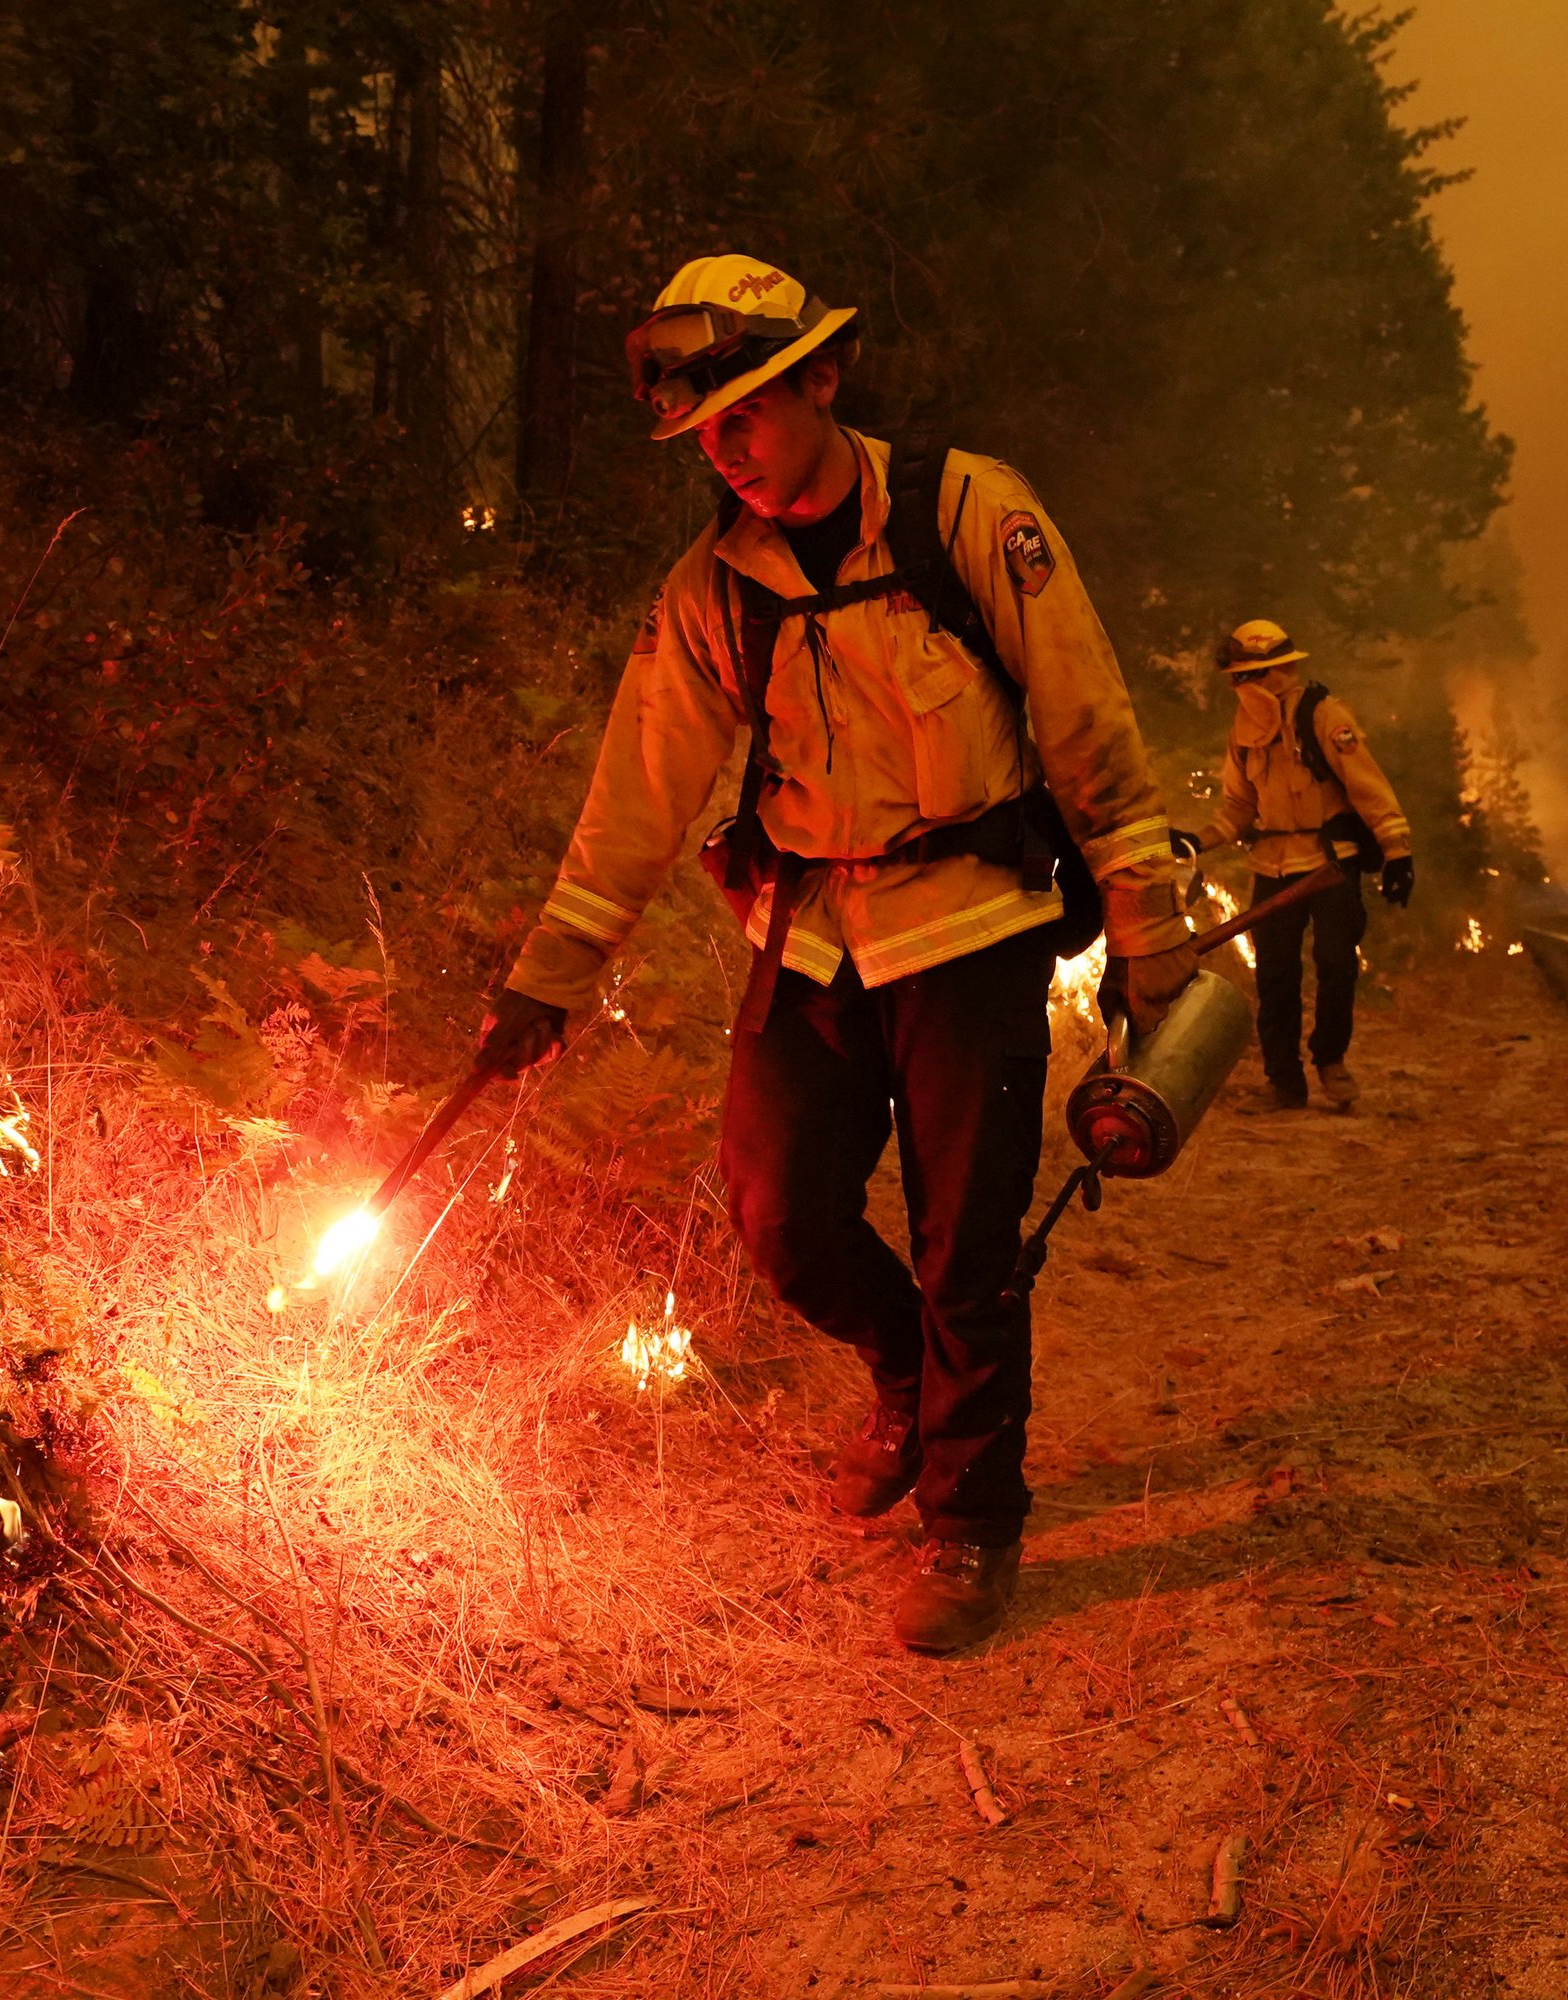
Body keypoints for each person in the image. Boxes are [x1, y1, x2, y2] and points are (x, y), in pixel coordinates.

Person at [471, 254, 1198, 1654]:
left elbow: (1086, 720)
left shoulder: (967, 512)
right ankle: (903, 1377)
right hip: (807, 938)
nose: (724, 451)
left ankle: (973, 1525)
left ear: (820, 378)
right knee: (779, 1214)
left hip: (972, 925)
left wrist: (1142, 918)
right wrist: (546, 980)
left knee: (966, 1245)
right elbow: (638, 791)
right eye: (705, 430)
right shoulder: (711, 588)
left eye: (746, 411)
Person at [1183, 620, 1413, 1111]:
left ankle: (1331, 1061)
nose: (1237, 687)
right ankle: (1284, 1082)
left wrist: (1398, 850)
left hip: (1331, 865)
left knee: (1336, 966)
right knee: (1275, 976)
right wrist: (1196, 841)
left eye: (1245, 676)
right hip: (1271, 868)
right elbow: (1238, 809)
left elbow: (1367, 785)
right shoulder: (1243, 734)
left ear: (1270, 674)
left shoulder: (1325, 716)